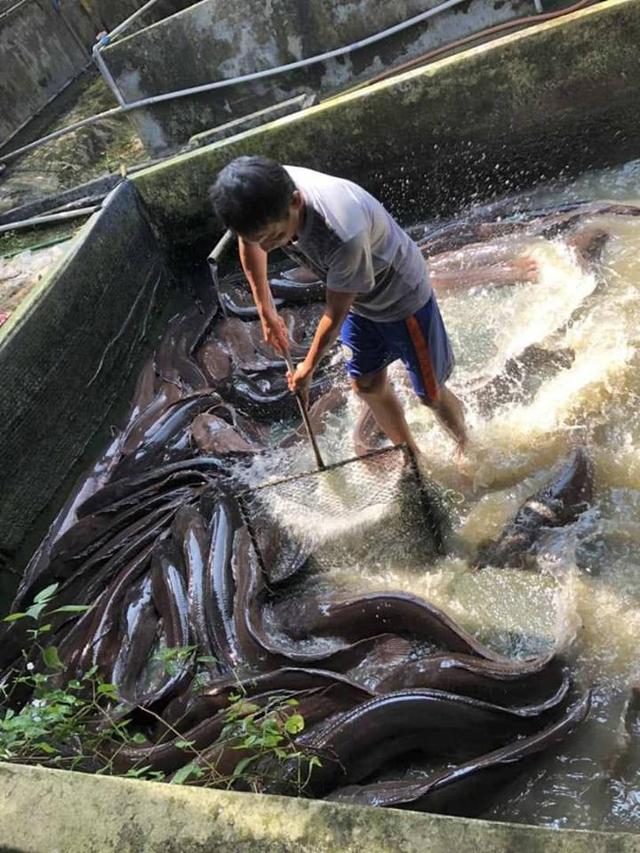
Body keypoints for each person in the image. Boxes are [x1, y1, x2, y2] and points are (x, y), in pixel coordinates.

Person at [209, 156, 471, 460]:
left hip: (401, 299)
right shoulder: (264, 194)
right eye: (259, 240)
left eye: (275, 238)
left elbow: (335, 313)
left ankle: (464, 442)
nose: (268, 248)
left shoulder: (341, 231)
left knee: (430, 394)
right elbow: (250, 243)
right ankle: (411, 454)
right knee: (367, 384)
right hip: (359, 303)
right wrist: (266, 310)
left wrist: (307, 367)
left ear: (295, 201)